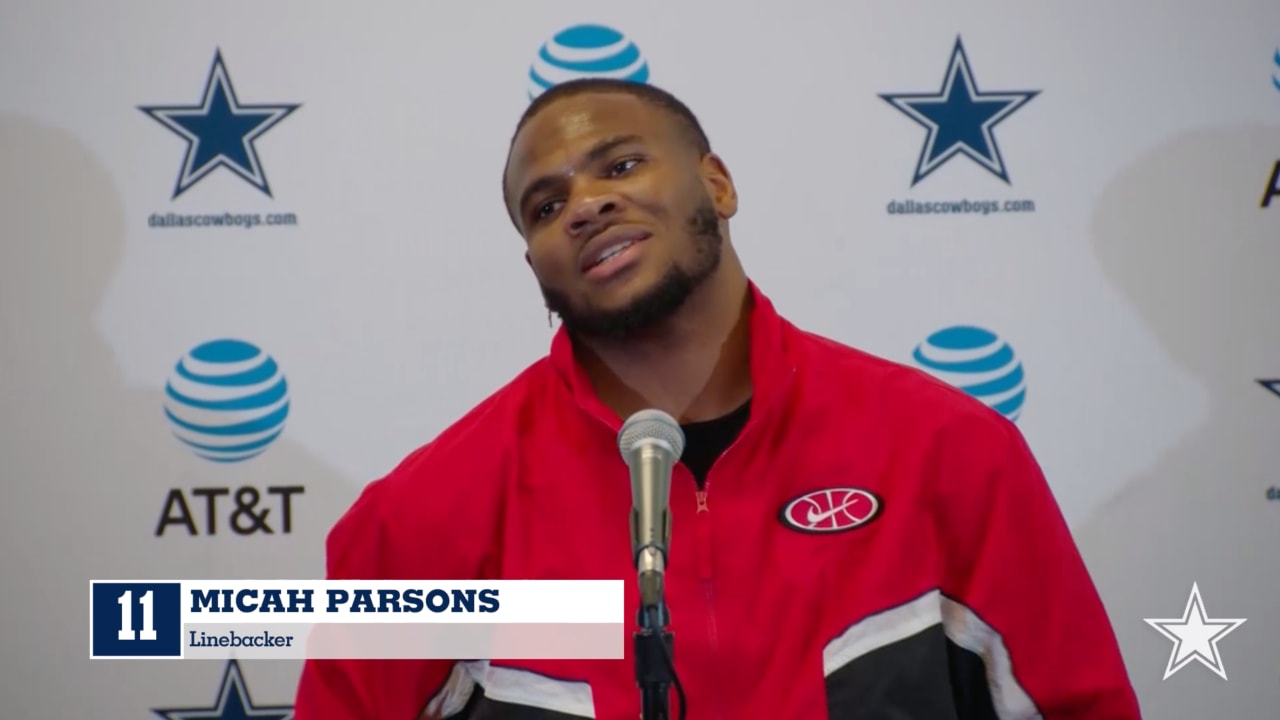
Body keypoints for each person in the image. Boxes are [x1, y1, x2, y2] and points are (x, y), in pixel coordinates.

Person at [293, 78, 1142, 719]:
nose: (587, 205)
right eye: (546, 206)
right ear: (534, 264)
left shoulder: (944, 452)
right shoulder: (420, 522)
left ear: (719, 186)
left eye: (621, 164)